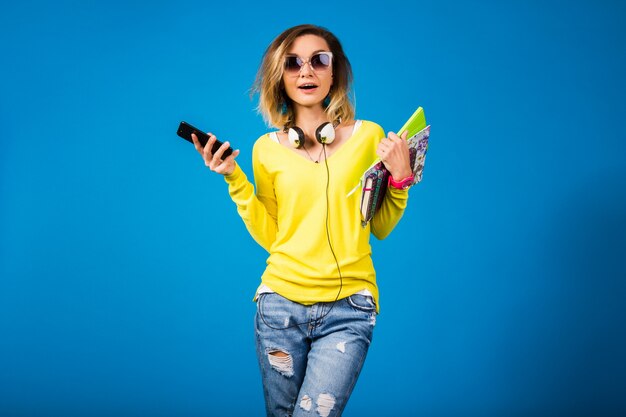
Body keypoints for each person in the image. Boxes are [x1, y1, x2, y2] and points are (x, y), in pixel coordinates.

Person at [192, 24, 414, 417]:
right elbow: (274, 236)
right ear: (281, 76)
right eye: (293, 63)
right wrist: (233, 178)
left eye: (318, 60)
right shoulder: (267, 149)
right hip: (280, 306)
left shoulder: (370, 137)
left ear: (334, 73)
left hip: (349, 308)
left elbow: (379, 226)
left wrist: (400, 180)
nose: (306, 71)